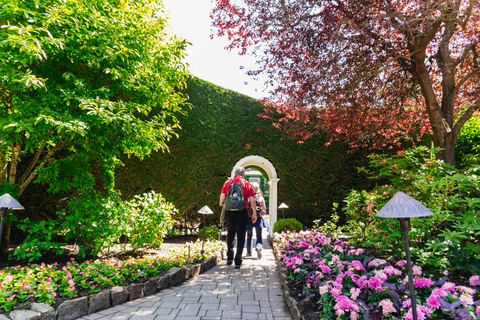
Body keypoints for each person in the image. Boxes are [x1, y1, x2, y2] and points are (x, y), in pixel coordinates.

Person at [219, 167, 257, 269]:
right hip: (242, 212)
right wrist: (254, 213)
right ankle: (238, 260)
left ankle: (229, 258)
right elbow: (252, 201)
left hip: (229, 212)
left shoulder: (227, 182)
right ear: (243, 174)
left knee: (230, 233)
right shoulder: (246, 184)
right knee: (241, 236)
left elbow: (222, 198)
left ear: (234, 173)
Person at [245, 182, 268, 259]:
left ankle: (249, 251)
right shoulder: (260, 197)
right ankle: (258, 247)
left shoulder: (248, 198)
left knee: (249, 235)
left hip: (249, 218)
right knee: (259, 235)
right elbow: (264, 208)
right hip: (258, 218)